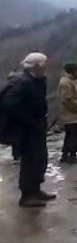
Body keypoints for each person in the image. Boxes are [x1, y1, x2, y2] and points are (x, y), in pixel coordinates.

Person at [0, 52, 55, 207]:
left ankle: (36, 189)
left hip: (36, 127)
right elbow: (9, 105)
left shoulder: (36, 80)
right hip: (27, 130)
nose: (46, 67)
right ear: (37, 66)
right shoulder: (21, 82)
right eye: (44, 64)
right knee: (30, 161)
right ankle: (27, 195)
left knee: (39, 159)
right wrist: (29, 121)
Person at [58, 62, 77, 164]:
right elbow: (67, 99)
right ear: (73, 71)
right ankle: (71, 156)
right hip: (72, 115)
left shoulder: (69, 81)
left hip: (71, 115)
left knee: (70, 135)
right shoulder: (66, 82)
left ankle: (66, 155)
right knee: (74, 135)